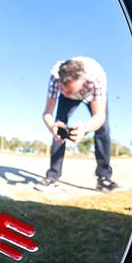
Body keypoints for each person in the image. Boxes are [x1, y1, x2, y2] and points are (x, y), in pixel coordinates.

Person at [42, 56, 116, 191]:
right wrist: (52, 127)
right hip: (75, 88)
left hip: (92, 95)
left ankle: (104, 177)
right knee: (59, 128)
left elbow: (99, 116)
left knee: (103, 129)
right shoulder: (55, 78)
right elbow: (47, 113)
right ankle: (53, 176)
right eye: (62, 90)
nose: (66, 94)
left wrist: (84, 129)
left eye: (69, 91)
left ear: (83, 80)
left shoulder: (96, 78)